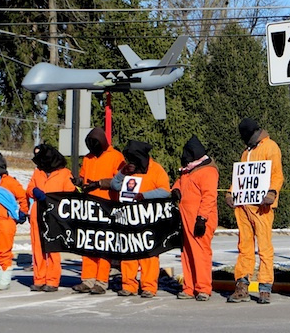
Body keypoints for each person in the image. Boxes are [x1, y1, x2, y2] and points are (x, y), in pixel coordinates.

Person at [225, 118, 284, 305]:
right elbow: (242, 176)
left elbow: (277, 174)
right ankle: (242, 285)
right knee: (244, 247)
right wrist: (230, 192)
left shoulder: (270, 147)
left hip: (262, 207)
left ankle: (265, 287)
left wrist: (272, 192)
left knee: (264, 247)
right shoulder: (247, 152)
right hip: (243, 207)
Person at [111, 140, 170, 298]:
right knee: (129, 252)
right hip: (129, 219)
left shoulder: (156, 169)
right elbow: (115, 185)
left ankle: (149, 287)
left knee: (149, 255)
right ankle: (129, 285)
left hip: (149, 219)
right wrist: (123, 173)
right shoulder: (127, 169)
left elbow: (165, 191)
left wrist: (144, 196)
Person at [72, 127, 125, 295]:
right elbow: (84, 176)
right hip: (89, 206)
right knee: (88, 243)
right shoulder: (88, 158)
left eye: (94, 145)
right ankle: (87, 279)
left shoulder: (116, 156)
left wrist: (99, 183)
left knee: (103, 244)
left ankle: (101, 281)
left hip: (108, 206)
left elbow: (121, 181)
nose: (92, 149)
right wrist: (79, 181)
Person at [172, 135, 219, 301]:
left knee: (201, 254)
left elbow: (209, 197)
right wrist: (176, 190)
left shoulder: (207, 171)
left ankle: (203, 288)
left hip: (200, 220)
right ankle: (189, 287)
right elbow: (181, 183)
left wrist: (202, 219)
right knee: (188, 254)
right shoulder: (189, 170)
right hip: (187, 219)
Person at [26, 144, 76, 292]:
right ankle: (39, 278)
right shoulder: (38, 172)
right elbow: (29, 188)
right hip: (37, 213)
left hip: (54, 215)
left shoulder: (64, 173)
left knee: (52, 248)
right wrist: (34, 191)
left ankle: (53, 280)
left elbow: (70, 193)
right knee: (38, 248)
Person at [0, 153, 28, 290]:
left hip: (5, 220)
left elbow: (23, 196)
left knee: (4, 250)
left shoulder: (10, 182)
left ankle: (5, 278)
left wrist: (23, 212)